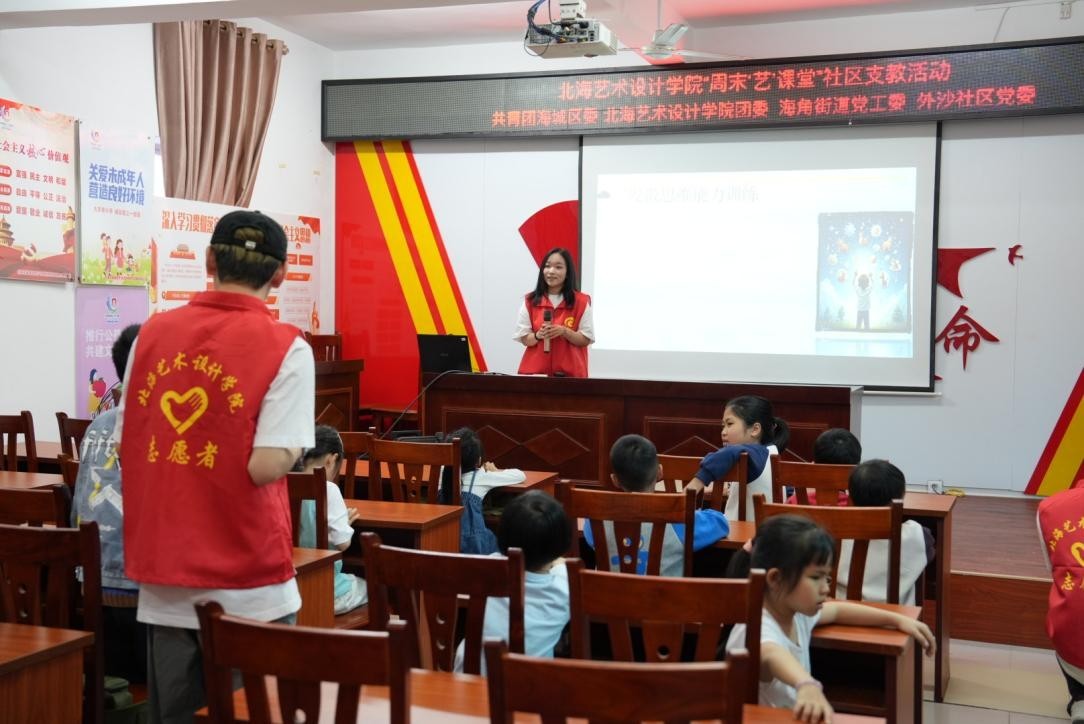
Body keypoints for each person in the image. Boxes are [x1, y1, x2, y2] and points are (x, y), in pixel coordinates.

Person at [117, 209, 315, 723]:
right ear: (280, 273)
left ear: (209, 260)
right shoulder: (287, 347)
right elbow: (265, 466)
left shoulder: (151, 334)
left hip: (165, 578)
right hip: (248, 582)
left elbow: (126, 443)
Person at [726, 515, 935, 720]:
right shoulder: (756, 626)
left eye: (827, 578)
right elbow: (771, 653)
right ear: (775, 579)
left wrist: (897, 620)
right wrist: (807, 684)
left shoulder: (795, 614)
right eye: (816, 577)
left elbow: (837, 611)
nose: (826, 588)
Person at [72, 323, 146, 684]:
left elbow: (76, 508)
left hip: (89, 581)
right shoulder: (159, 426)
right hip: (140, 590)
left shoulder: (97, 426)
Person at [455, 490, 573, 673]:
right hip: (528, 685)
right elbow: (562, 566)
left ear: (503, 534)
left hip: (467, 679)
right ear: (562, 544)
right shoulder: (566, 585)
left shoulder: (485, 569)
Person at [584, 434, 730, 577]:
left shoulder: (594, 519)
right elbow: (721, 523)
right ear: (659, 472)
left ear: (615, 480)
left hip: (608, 593)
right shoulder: (678, 518)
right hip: (665, 594)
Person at [835, 459, 933, 604]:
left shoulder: (833, 533)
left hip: (842, 611)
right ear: (902, 497)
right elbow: (928, 554)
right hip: (895, 615)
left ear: (850, 499)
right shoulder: (918, 535)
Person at [294, 425, 368, 615]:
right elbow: (343, 543)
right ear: (331, 459)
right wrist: (344, 524)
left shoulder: (285, 483)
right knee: (370, 587)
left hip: (292, 590)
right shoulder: (329, 489)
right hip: (327, 591)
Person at [686, 395, 789, 522]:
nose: (723, 432)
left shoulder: (757, 453)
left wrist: (696, 484)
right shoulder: (771, 452)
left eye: (729, 424)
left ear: (755, 429)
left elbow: (730, 452)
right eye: (723, 426)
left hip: (744, 532)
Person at [1037, 479, 1084, 723]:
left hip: (1071, 633)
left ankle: (1081, 698)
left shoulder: (1049, 507)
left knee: (1069, 607)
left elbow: (1052, 569)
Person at [440, 426, 526, 555]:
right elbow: (520, 475)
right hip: (473, 547)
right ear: (478, 460)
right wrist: (495, 471)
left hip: (440, 541)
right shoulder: (481, 477)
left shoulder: (441, 472)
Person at [514, 247, 593, 378]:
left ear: (567, 272)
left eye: (558, 267)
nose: (551, 271)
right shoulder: (530, 301)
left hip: (571, 376)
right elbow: (525, 338)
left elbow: (586, 339)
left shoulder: (581, 301)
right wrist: (538, 335)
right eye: (547, 266)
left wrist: (564, 331)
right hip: (536, 375)